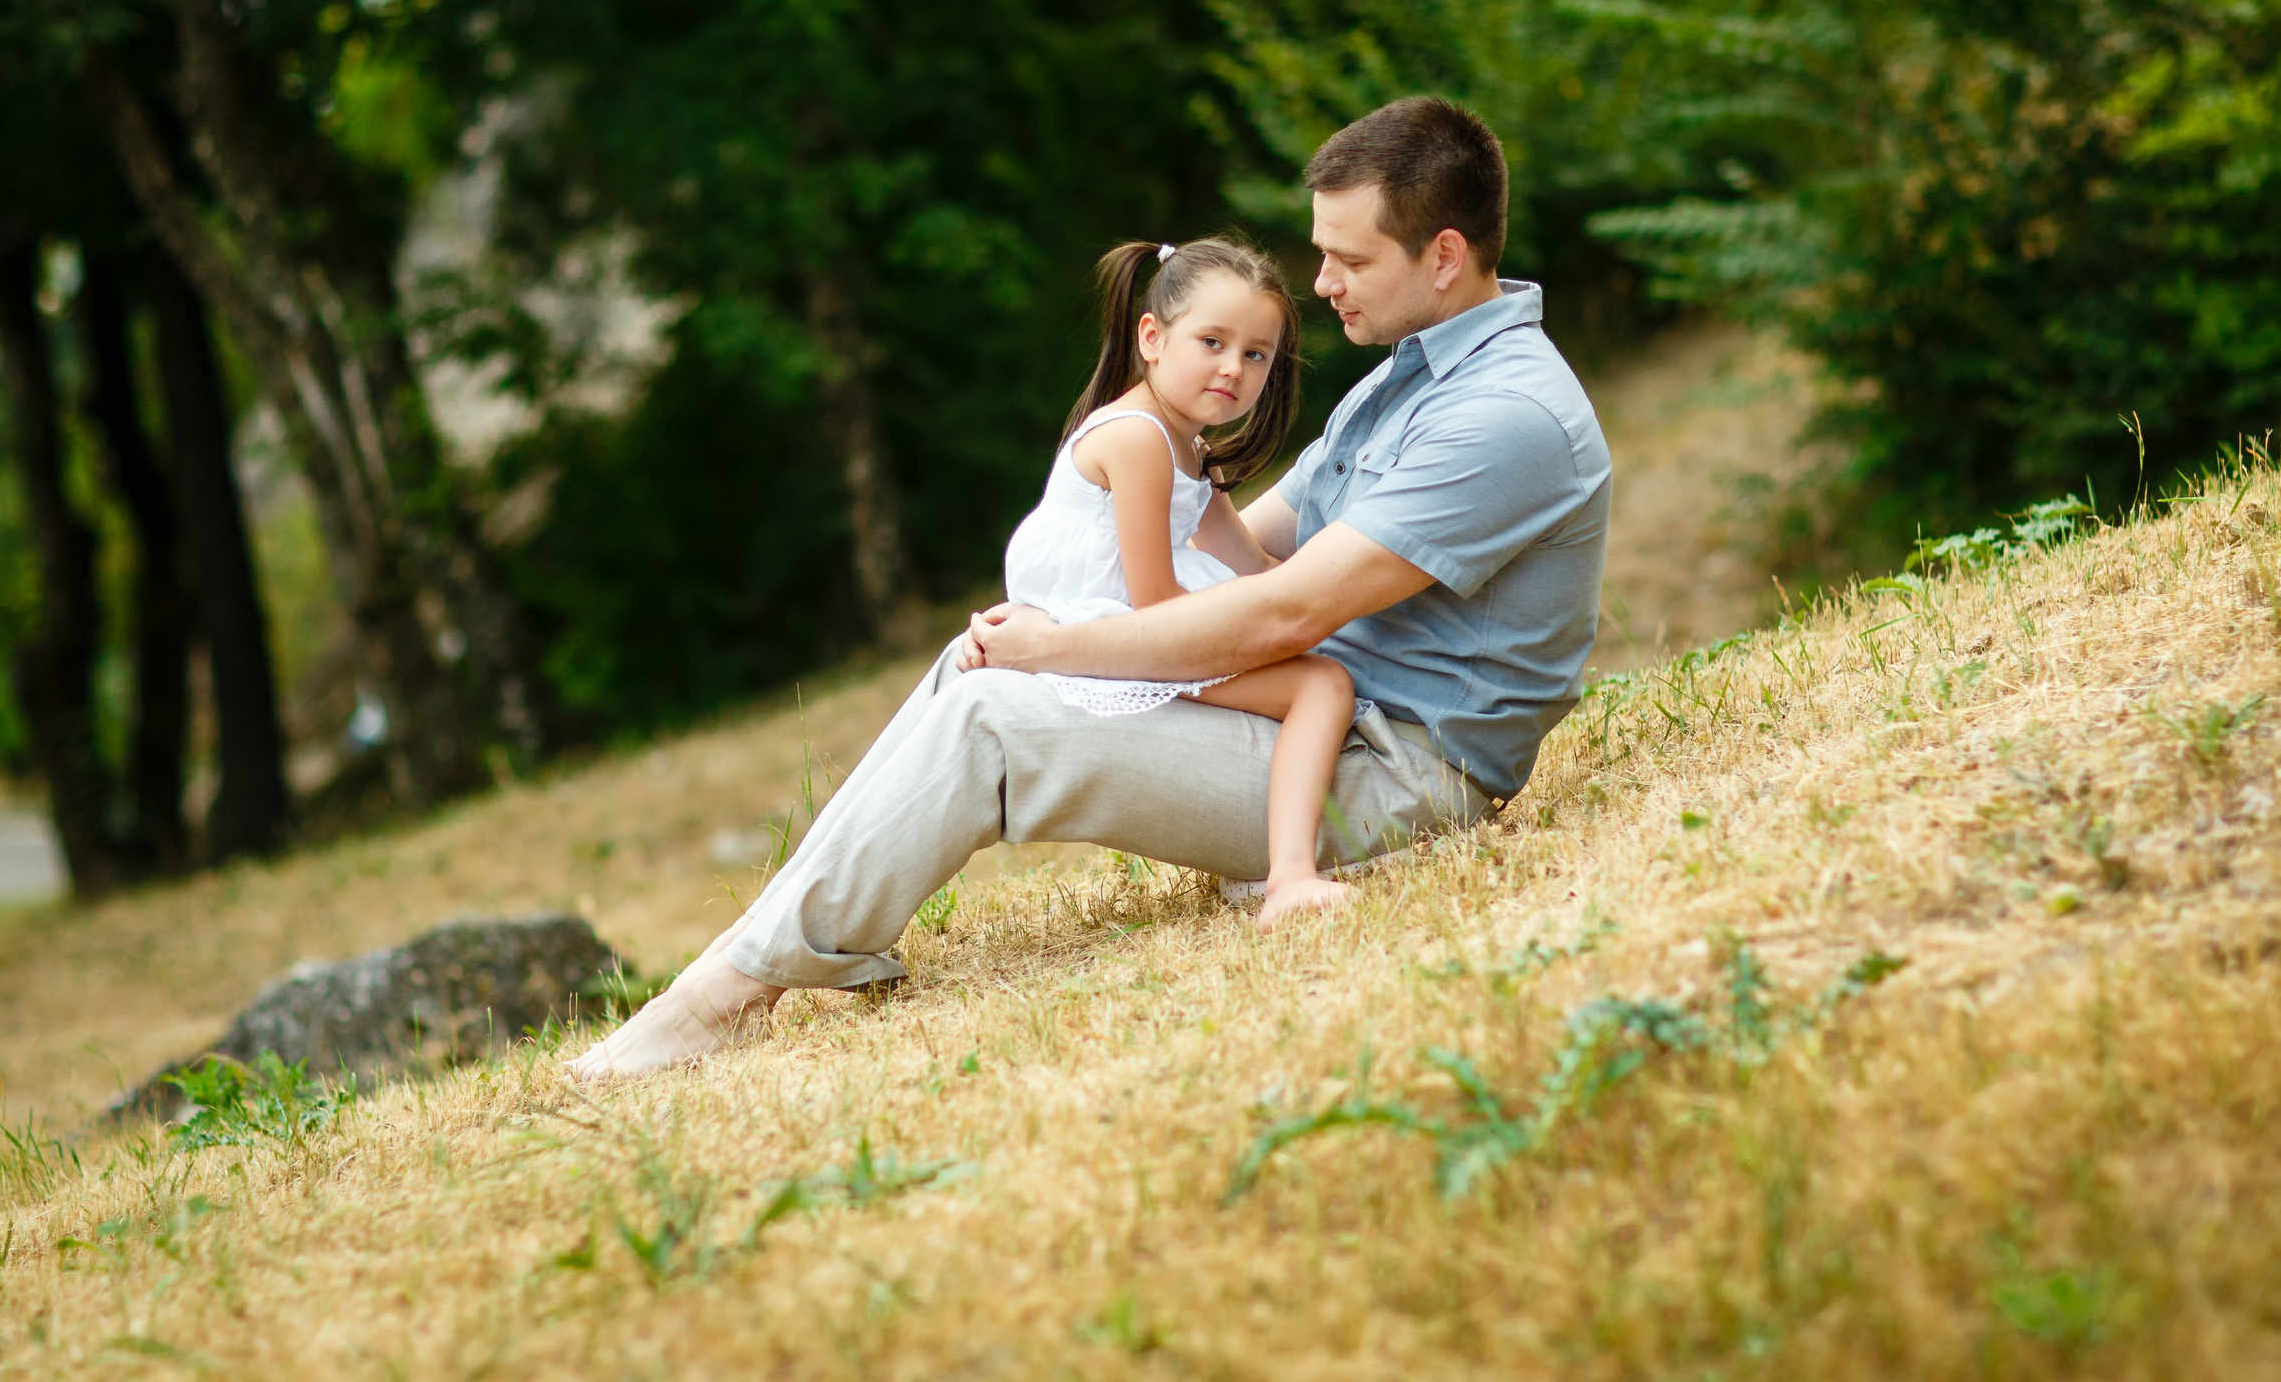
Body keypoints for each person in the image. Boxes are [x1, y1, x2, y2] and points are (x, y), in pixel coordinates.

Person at [570, 95, 1610, 1081]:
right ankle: (749, 963)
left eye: (1347, 259)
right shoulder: (1404, 380)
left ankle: (719, 1000)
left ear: (1442, 257)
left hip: (1400, 779)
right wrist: (1072, 602)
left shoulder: (1501, 415)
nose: (1324, 283)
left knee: (996, 713)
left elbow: (1288, 608)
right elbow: (1254, 543)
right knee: (977, 662)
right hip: (1329, 722)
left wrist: (1063, 648)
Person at [1002, 235, 1359, 931]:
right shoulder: (1137, 438)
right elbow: (1156, 605)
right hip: (1108, 628)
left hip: (1137, 617)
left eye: (1256, 354)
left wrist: (1346, 605)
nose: (1234, 368)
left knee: (1320, 665)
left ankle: (1277, 848)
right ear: (1152, 337)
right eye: (1213, 342)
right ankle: (1289, 874)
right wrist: (1268, 639)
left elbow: (1254, 567)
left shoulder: (1187, 444)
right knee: (1320, 685)